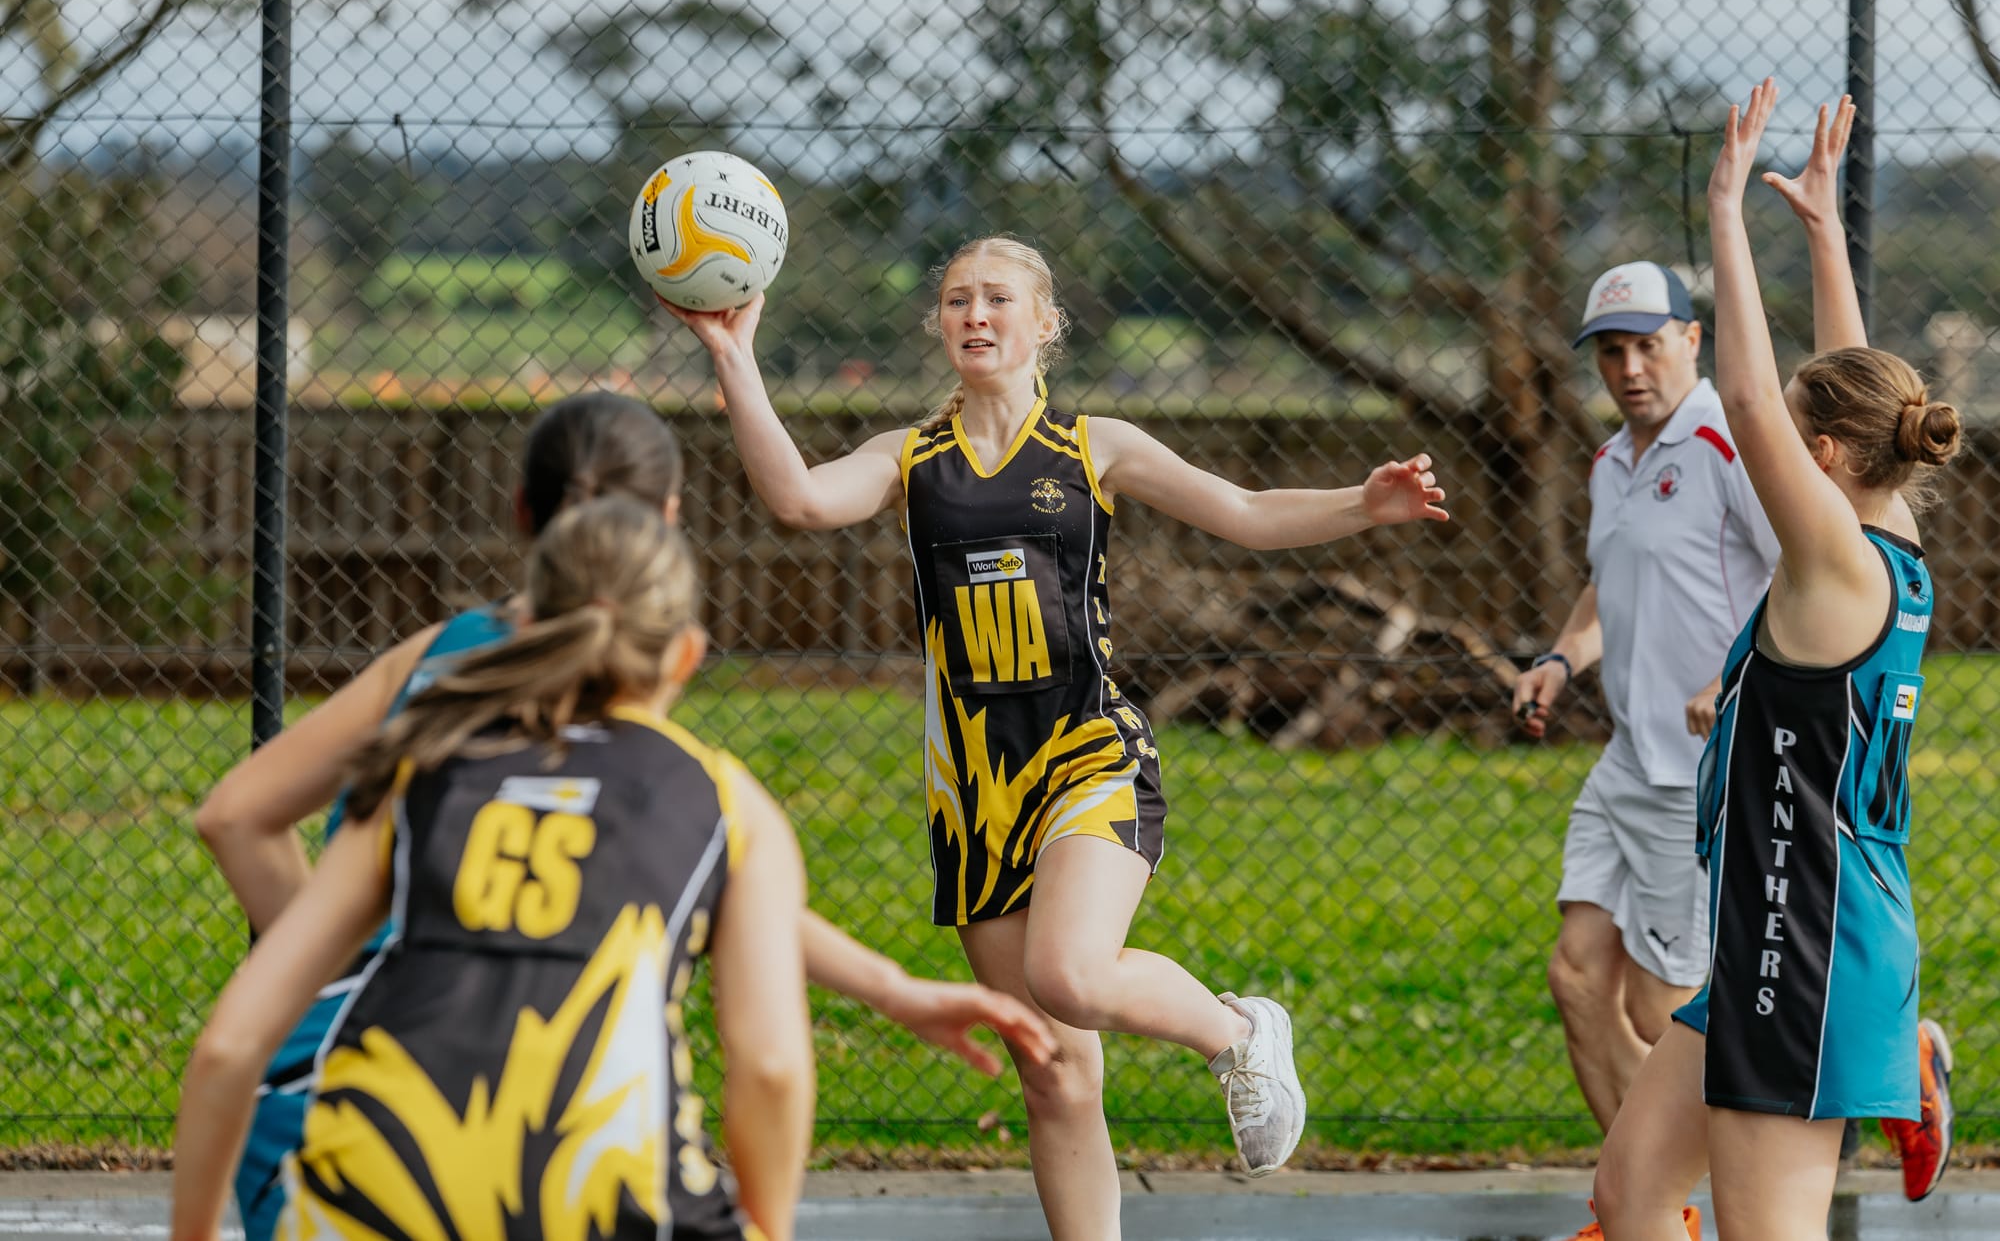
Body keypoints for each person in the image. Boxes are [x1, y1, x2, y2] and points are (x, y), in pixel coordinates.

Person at [663, 234, 1448, 1239]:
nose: (975, 314)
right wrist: (734, 356)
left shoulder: (1092, 447)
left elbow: (1246, 511)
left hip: (1087, 752)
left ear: (1045, 323)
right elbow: (799, 499)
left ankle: (1238, 1029)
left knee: (1068, 973)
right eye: (957, 299)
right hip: (974, 791)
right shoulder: (911, 458)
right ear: (939, 324)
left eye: (997, 298)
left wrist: (1362, 505)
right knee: (1054, 1066)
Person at [193, 392, 1054, 1241]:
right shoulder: (698, 786)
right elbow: (765, 1047)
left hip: (346, 1123)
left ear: (522, 513)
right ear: (679, 615)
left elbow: (234, 824)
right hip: (541, 1156)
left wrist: (348, 964)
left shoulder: (436, 711)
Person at [173, 497, 813, 1240]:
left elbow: (228, 1047)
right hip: (606, 1204)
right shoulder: (727, 801)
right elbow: (770, 1067)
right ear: (686, 655)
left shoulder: (424, 762)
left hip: (373, 1198)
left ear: (526, 625)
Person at [1593, 79, 1961, 1240]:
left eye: (1797, 444)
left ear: (1820, 457)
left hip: (1798, 952)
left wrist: (1722, 208)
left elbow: (1750, 397)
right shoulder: (1886, 532)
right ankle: (1903, 1049)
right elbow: (1848, 385)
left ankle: (1896, 1053)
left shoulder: (1834, 566)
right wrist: (1817, 226)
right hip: (1780, 932)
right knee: (1630, 1192)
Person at [1511, 258, 1774, 1241]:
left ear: (1691, 340)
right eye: (1611, 351)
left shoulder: (1726, 443)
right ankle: (1643, 1208)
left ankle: (1697, 1199)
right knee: (1578, 977)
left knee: (1670, 1006)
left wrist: (1730, 675)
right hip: (1626, 760)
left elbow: (1805, 577)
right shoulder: (1610, 459)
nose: (1628, 368)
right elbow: (1604, 587)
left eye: (1647, 345)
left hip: (1695, 774)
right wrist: (1559, 658)